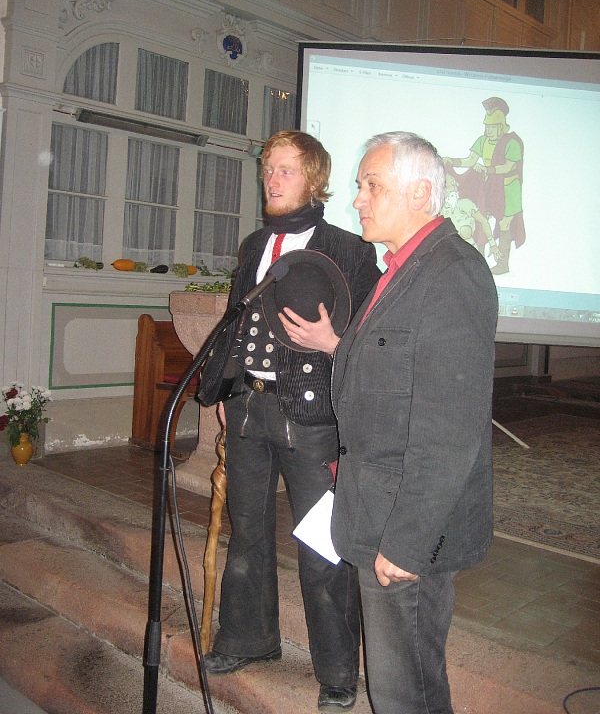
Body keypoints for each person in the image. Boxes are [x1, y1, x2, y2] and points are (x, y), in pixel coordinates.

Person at [198, 130, 380, 712]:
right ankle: (248, 638)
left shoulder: (349, 249)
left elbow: (375, 338)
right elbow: (237, 322)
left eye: (285, 170)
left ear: (313, 180)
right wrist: (227, 390)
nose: (271, 180)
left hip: (313, 417)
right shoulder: (255, 244)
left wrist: (335, 343)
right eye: (268, 169)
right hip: (248, 408)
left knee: (322, 545)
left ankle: (337, 672)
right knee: (247, 532)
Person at [327, 131, 498, 714]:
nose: (357, 199)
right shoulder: (400, 270)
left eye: (371, 185)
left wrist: (408, 542)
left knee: (406, 693)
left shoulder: (452, 274)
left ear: (421, 192)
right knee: (395, 683)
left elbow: (450, 431)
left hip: (406, 530)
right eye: (359, 186)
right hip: (375, 508)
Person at [443, 96, 525, 274]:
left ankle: (502, 264)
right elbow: (470, 160)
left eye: (493, 127)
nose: (489, 130)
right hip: (491, 188)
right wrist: (452, 161)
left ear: (501, 126)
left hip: (509, 189)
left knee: (504, 224)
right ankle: (477, 262)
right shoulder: (482, 141)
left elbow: (509, 167)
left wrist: (488, 169)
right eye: (487, 126)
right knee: (481, 220)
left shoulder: (512, 143)